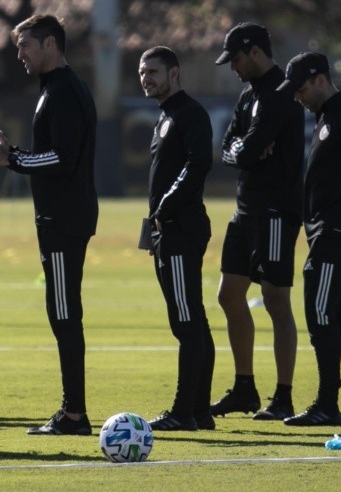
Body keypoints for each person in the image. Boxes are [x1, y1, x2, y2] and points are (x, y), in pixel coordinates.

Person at [0, 13, 97, 436]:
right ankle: (72, 411)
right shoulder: (54, 89)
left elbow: (62, 158)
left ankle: (74, 415)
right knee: (62, 312)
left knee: (63, 313)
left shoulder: (63, 92)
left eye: (25, 46)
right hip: (60, 216)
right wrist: (14, 154)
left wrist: (10, 158)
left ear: (50, 45)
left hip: (64, 218)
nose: (18, 54)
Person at [211, 23, 304, 420]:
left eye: (234, 59)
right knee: (229, 295)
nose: (232, 67)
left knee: (275, 300)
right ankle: (245, 388)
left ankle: (283, 395)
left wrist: (243, 150)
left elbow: (244, 150)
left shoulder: (282, 92)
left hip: (276, 211)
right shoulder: (250, 93)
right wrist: (242, 150)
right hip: (245, 209)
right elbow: (229, 148)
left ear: (253, 52)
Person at [138, 46, 216, 430]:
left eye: (153, 71)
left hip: (182, 231)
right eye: (142, 72)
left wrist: (166, 206)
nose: (146, 78)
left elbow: (198, 164)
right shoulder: (165, 115)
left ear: (175, 73)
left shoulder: (190, 113)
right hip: (165, 231)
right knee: (192, 321)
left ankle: (184, 412)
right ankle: (200, 412)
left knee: (187, 323)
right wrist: (154, 225)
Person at [277, 53, 341, 426]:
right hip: (330, 235)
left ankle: (326, 403)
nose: (297, 97)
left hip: (334, 237)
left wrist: (336, 229)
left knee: (321, 314)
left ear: (321, 80)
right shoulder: (326, 118)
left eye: (301, 89)